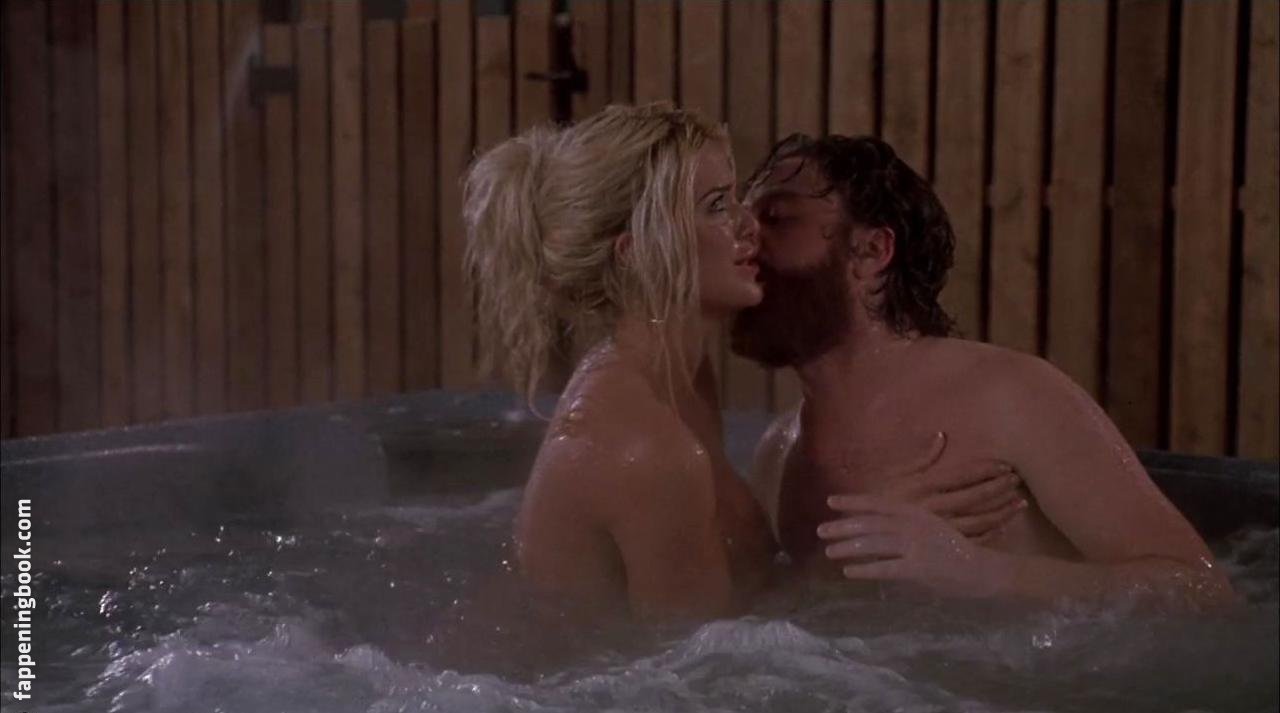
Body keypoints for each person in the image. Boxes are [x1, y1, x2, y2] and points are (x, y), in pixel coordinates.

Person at [464, 104, 1023, 622]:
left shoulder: (679, 380)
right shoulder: (643, 445)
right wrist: (861, 549)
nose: (748, 224)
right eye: (716, 206)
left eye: (734, 198)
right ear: (638, 252)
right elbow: (699, 672)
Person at [733, 133, 1235, 609]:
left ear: (871, 252)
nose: (745, 242)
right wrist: (827, 576)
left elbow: (1204, 592)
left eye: (776, 217)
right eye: (741, 221)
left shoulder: (1010, 397)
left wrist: (981, 573)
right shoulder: (778, 454)